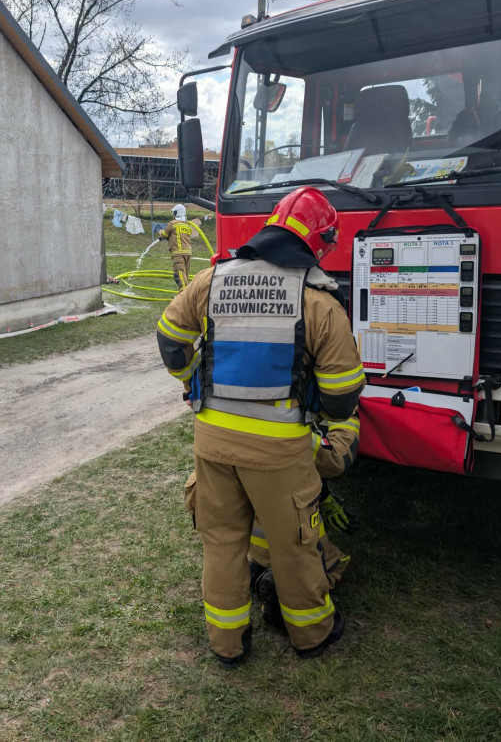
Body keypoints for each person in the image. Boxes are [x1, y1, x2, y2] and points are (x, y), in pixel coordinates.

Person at [157, 186, 366, 667]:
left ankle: (227, 644)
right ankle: (312, 633)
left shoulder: (212, 279)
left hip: (211, 442)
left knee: (223, 540)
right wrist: (327, 415)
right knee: (294, 543)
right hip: (280, 453)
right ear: (320, 241)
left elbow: (170, 341)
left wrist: (192, 384)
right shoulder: (318, 302)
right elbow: (341, 398)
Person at [181, 409, 361, 630]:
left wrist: (323, 493)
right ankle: (287, 598)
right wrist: (349, 414)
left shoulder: (213, 401)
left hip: (220, 495)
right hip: (277, 508)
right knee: (321, 558)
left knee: (225, 552)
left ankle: (248, 580)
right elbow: (334, 460)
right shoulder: (284, 426)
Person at [159, 204, 199, 291]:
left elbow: (165, 235)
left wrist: (160, 232)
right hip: (188, 253)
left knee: (180, 276)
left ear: (176, 213)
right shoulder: (187, 225)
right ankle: (186, 296)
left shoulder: (172, 223)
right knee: (185, 276)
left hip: (178, 253)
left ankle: (183, 298)